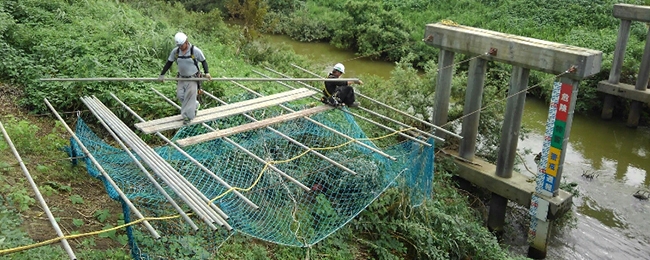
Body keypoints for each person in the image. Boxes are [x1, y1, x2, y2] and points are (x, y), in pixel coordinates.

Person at [158, 32, 211, 125]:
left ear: (186, 42)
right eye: (179, 45)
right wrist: (162, 75)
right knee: (180, 95)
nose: (181, 47)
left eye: (182, 45)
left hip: (193, 78)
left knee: (189, 97)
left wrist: (207, 73)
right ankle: (195, 105)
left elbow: (204, 61)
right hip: (181, 78)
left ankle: (188, 117)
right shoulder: (176, 52)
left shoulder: (195, 51)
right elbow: (169, 63)